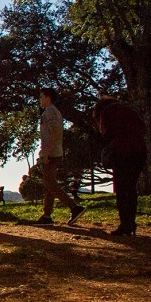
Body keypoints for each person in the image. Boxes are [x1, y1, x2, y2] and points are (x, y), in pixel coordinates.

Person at [93, 96, 147, 236]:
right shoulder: (129, 110)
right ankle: (131, 222)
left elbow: (105, 133)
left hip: (122, 152)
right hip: (139, 151)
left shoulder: (106, 112)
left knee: (122, 189)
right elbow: (143, 127)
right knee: (131, 188)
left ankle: (125, 223)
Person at [35, 88, 86, 226]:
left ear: (48, 97)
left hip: (51, 152)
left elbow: (55, 131)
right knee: (50, 183)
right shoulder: (51, 111)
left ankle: (74, 207)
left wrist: (45, 152)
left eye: (41, 96)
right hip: (54, 151)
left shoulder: (51, 111)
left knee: (49, 183)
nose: (39, 99)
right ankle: (47, 215)